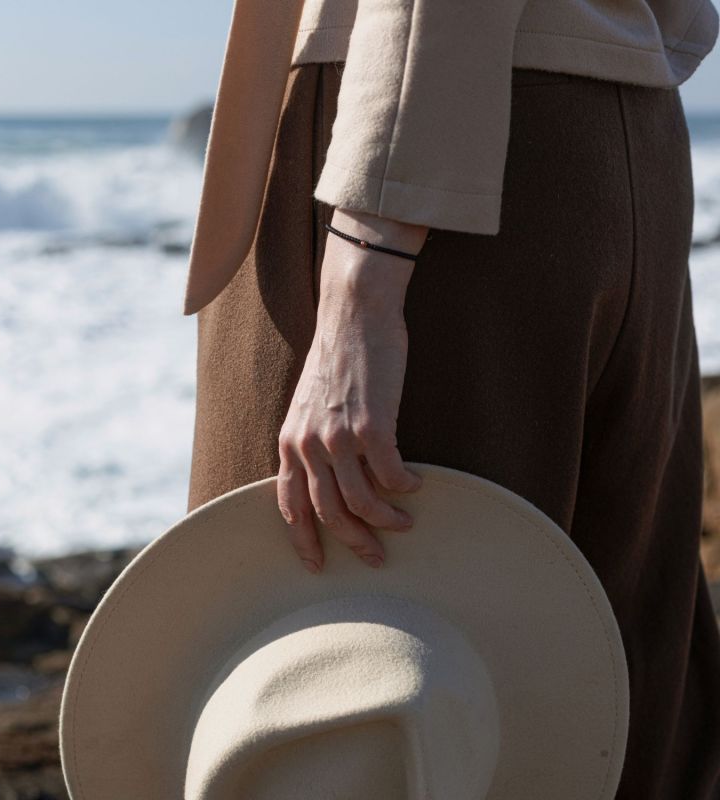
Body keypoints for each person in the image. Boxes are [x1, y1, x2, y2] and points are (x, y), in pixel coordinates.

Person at [184, 1, 720, 796]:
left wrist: (366, 262)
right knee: (609, 713)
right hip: (609, 129)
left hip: (418, 147)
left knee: (319, 688)